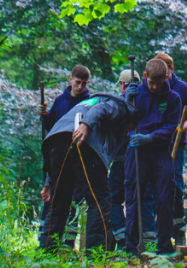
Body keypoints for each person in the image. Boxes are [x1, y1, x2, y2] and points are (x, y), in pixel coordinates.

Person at [40, 89, 135, 251]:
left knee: (58, 203)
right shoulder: (119, 107)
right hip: (81, 141)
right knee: (100, 201)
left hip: (55, 143)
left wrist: (48, 181)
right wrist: (85, 125)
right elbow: (101, 110)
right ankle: (95, 256)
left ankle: (46, 253)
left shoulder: (85, 103)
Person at [123, 58, 182, 255]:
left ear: (166, 77)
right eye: (151, 83)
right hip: (136, 152)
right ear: (145, 76)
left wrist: (150, 137)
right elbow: (121, 122)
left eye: (159, 82)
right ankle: (132, 248)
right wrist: (125, 101)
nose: (155, 87)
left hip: (160, 152)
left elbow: (170, 128)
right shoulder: (134, 94)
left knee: (164, 198)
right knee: (133, 198)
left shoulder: (173, 98)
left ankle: (164, 246)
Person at [38, 66, 92, 248]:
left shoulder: (89, 102)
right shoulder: (61, 101)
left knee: (75, 201)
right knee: (57, 199)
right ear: (70, 80)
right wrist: (44, 115)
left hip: (79, 157)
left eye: (84, 83)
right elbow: (51, 127)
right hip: (60, 157)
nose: (80, 86)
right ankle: (49, 242)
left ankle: (68, 243)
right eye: (78, 82)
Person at [153, 52, 187, 247]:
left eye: (164, 72)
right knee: (155, 187)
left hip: (176, 145)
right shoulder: (152, 87)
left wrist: (179, 127)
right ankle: (157, 230)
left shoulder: (183, 89)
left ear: (171, 70)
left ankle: (179, 230)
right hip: (156, 144)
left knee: (175, 186)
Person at [108, 69, 149, 252]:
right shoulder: (125, 102)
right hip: (130, 159)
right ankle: (127, 238)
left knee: (114, 201)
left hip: (126, 160)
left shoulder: (138, 101)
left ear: (122, 85)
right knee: (131, 200)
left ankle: (126, 240)